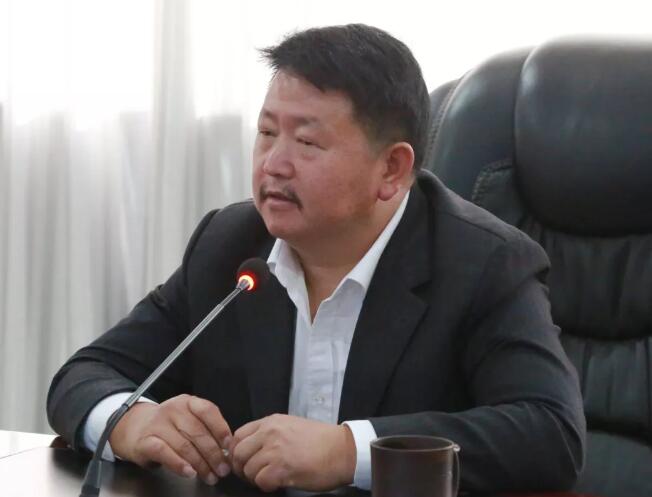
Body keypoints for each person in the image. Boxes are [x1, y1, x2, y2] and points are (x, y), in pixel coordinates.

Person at [47, 24, 585, 494]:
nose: (273, 164)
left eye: (307, 143)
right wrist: (131, 422)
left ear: (392, 170)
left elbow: (550, 433)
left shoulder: (483, 263)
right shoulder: (229, 246)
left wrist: (348, 451)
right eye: (266, 133)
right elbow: (84, 375)